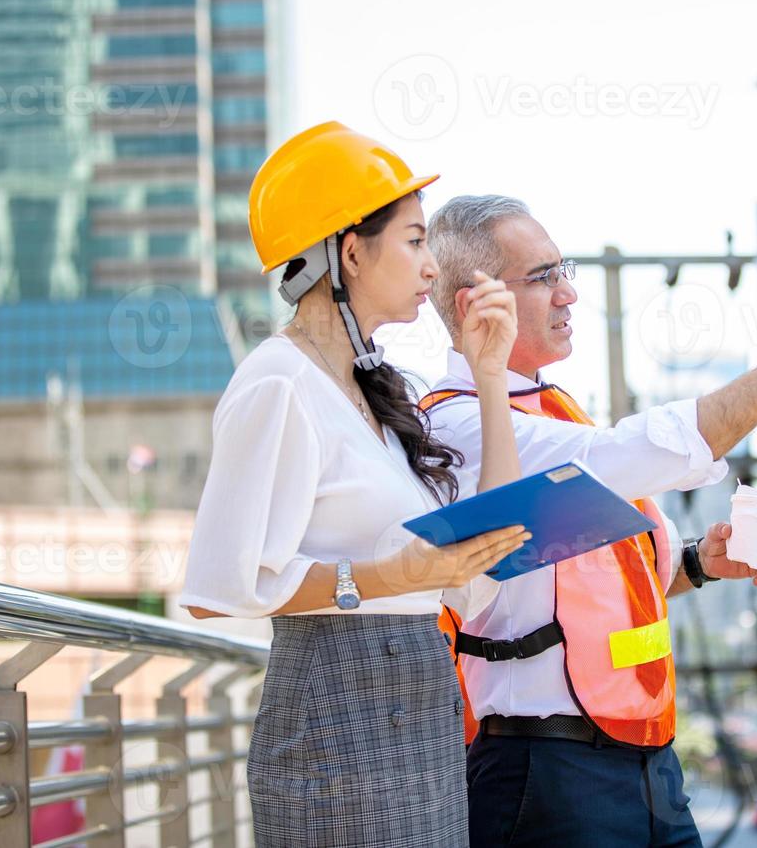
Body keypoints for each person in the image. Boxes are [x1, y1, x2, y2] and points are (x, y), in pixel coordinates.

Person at [421, 194, 757, 848]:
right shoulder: (459, 426)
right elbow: (629, 455)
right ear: (475, 304)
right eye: (543, 277)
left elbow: (578, 583)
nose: (568, 293)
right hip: (547, 772)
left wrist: (698, 563)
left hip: (642, 761)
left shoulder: (553, 412)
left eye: (563, 269)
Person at [179, 124, 528, 848]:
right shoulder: (279, 381)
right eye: (414, 240)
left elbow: (489, 551)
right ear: (349, 251)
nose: (432, 266)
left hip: (422, 707)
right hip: (333, 717)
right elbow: (218, 589)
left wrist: (490, 378)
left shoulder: (376, 394)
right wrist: (382, 576)